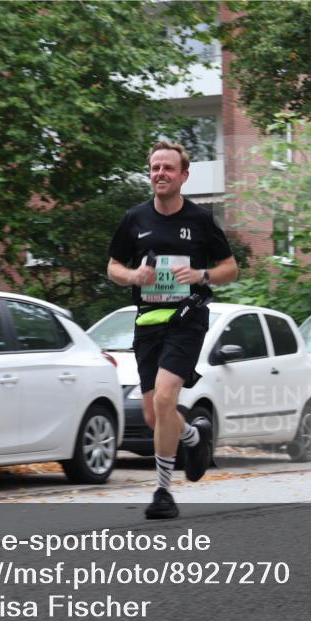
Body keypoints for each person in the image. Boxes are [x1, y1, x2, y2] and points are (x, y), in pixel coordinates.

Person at [108, 140, 238, 520]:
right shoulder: (135, 218)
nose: (160, 174)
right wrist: (133, 275)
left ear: (184, 175)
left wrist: (202, 274)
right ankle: (194, 438)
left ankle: (163, 492)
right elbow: (113, 266)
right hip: (147, 321)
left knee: (166, 400)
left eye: (167, 168)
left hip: (186, 318)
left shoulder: (199, 220)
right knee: (153, 414)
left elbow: (231, 268)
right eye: (154, 168)